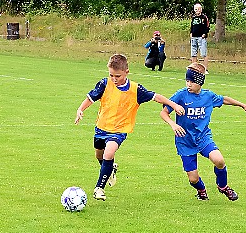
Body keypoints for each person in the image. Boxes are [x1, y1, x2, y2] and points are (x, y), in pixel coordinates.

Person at [75, 54, 185, 201]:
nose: (114, 79)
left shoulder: (136, 89)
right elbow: (91, 98)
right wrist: (80, 109)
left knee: (109, 153)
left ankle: (99, 188)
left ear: (127, 72)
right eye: (111, 75)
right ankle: (110, 168)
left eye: (118, 76)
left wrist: (174, 105)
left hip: (120, 130)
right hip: (101, 128)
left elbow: (156, 97)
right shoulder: (104, 84)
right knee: (99, 156)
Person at [160, 62, 246, 201]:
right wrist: (173, 125)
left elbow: (224, 99)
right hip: (185, 141)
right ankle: (201, 190)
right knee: (193, 179)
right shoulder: (180, 95)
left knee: (219, 161)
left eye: (192, 81)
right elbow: (164, 113)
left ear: (200, 82)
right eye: (187, 81)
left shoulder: (208, 96)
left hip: (203, 138)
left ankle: (223, 187)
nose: (188, 84)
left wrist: (242, 105)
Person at [190, 3, 210, 73]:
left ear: (201, 9)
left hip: (201, 37)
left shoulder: (204, 17)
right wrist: (191, 33)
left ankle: (205, 69)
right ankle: (194, 68)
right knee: (193, 54)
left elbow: (207, 26)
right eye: (195, 9)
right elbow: (192, 26)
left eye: (198, 9)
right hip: (194, 37)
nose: (197, 10)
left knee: (203, 54)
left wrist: (204, 34)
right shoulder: (193, 17)